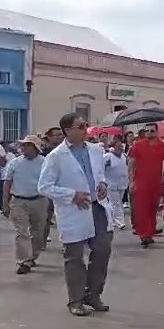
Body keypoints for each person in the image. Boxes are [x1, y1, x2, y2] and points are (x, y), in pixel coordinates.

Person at [38, 113, 114, 317]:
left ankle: (93, 294)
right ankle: (76, 300)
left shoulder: (96, 150)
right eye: (80, 126)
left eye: (86, 125)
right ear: (67, 131)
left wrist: (103, 185)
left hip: (97, 206)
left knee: (102, 251)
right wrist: (72, 195)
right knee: (74, 257)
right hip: (74, 210)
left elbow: (99, 174)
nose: (85, 129)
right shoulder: (56, 156)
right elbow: (44, 187)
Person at [2, 135, 48, 274]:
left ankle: (33, 256)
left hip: (39, 200)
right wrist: (5, 202)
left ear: (35, 148)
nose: (23, 148)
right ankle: (23, 261)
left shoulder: (45, 162)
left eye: (27, 145)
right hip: (19, 201)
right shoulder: (15, 163)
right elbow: (7, 182)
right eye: (23, 145)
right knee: (21, 232)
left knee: (38, 232)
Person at [128, 123, 164, 248]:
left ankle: (149, 233)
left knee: (153, 209)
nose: (149, 133)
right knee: (142, 209)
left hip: (156, 183)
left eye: (152, 131)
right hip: (141, 183)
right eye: (147, 131)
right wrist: (131, 181)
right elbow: (131, 163)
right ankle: (144, 236)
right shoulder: (138, 145)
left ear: (156, 132)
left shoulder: (163, 146)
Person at [103, 140, 129, 230]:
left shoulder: (124, 156)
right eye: (118, 146)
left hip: (122, 183)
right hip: (110, 184)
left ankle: (112, 220)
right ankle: (120, 222)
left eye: (121, 146)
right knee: (115, 203)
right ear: (113, 147)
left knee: (118, 203)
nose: (120, 148)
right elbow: (100, 168)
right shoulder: (107, 157)